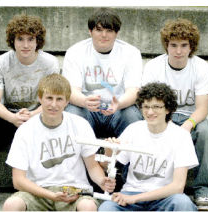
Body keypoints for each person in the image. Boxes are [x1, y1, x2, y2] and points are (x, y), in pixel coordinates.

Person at [0, 14, 60, 209]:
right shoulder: (2, 62)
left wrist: (34, 115)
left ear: (38, 41)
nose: (26, 44)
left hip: (39, 113)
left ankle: (34, 189)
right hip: (9, 114)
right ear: (13, 40)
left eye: (31, 39)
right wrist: (13, 118)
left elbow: (55, 97)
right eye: (20, 39)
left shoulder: (49, 63)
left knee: (54, 121)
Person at [2, 73, 115, 211]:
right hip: (38, 192)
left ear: (67, 101)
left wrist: (102, 181)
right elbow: (18, 181)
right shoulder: (26, 130)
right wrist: (50, 195)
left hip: (75, 192)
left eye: (59, 99)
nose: (53, 105)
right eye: (49, 98)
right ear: (40, 98)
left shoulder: (80, 124)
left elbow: (92, 167)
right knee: (11, 204)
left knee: (88, 206)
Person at [62, 7, 143, 192]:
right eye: (99, 30)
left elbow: (134, 91)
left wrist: (119, 104)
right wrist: (84, 101)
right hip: (87, 108)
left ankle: (127, 177)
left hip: (118, 109)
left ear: (117, 33)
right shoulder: (76, 52)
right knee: (72, 114)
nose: (104, 35)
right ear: (90, 31)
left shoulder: (130, 53)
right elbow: (70, 91)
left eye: (109, 30)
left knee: (133, 118)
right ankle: (76, 177)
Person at [141, 18, 208, 211]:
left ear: (191, 46)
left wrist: (188, 125)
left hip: (192, 118)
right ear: (166, 45)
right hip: (163, 115)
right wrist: (165, 124)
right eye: (173, 45)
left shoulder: (200, 67)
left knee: (206, 134)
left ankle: (204, 191)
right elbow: (149, 103)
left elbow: (202, 109)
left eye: (184, 45)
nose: (178, 51)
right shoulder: (154, 66)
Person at [98, 82, 198, 211]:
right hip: (131, 193)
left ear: (168, 109)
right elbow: (107, 167)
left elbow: (178, 186)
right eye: (146, 106)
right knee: (107, 208)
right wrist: (109, 151)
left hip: (164, 197)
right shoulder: (134, 129)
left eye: (156, 106)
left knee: (183, 203)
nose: (150, 112)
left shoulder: (181, 136)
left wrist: (136, 198)